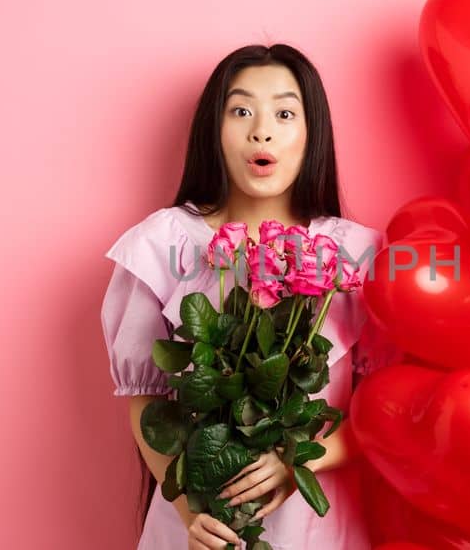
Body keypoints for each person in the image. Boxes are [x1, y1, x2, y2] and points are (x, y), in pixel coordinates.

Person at [99, 44, 397, 549]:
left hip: (317, 527)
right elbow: (145, 399)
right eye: (241, 111)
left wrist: (299, 461)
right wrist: (193, 511)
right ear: (214, 132)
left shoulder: (358, 254)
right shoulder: (165, 244)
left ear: (311, 134)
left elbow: (385, 406)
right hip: (201, 532)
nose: (262, 130)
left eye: (284, 113)